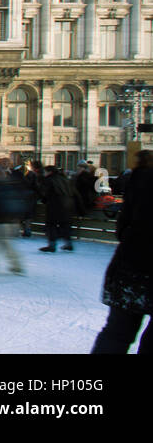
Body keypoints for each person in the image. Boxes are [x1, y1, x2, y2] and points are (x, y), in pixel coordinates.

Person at [92, 150, 153, 354]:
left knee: (117, 333)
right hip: (135, 266)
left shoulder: (140, 178)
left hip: (130, 267)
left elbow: (123, 227)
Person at [38, 163, 82, 252]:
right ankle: (68, 244)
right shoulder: (64, 179)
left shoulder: (49, 180)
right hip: (68, 205)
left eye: (45, 172)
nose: (44, 174)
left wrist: (44, 200)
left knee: (51, 224)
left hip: (54, 204)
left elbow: (44, 193)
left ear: (49, 172)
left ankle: (52, 245)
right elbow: (74, 192)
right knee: (65, 224)